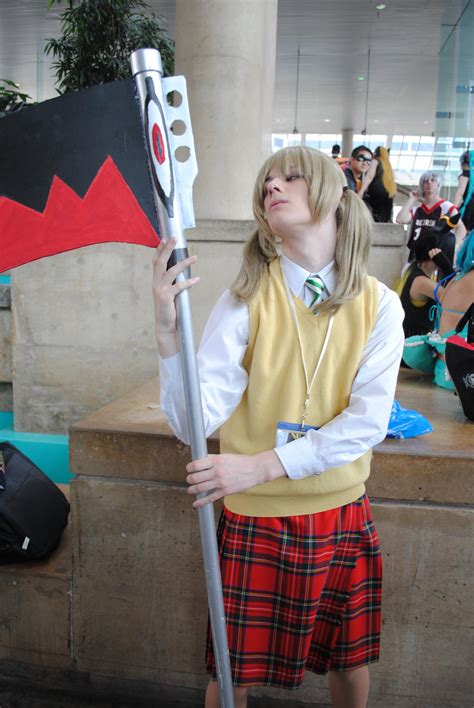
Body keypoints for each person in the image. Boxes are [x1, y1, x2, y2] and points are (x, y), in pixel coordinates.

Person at [153, 146, 404, 708]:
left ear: (334, 193)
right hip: (258, 519)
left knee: (349, 660)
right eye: (266, 180)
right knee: (231, 669)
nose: (273, 185)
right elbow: (194, 423)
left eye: (290, 176)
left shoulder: (380, 306)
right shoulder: (245, 299)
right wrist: (167, 334)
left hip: (341, 510)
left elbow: (367, 423)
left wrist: (261, 465)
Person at [403, 229, 474, 389]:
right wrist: (447, 266)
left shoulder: (456, 278)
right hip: (461, 378)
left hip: (443, 370)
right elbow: (445, 297)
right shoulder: (421, 280)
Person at [396, 171, 461, 268]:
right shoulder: (417, 210)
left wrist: (454, 247)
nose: (429, 183)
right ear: (422, 186)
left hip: (435, 258)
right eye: (426, 181)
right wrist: (411, 199)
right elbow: (400, 219)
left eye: (433, 180)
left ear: (438, 184)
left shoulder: (447, 207)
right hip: (415, 257)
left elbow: (461, 228)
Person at [399, 236, 453, 338]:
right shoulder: (421, 281)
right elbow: (454, 299)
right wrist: (447, 268)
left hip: (413, 338)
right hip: (414, 343)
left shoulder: (415, 270)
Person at [363, 146, 396, 222]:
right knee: (382, 218)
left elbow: (370, 176)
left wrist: (361, 191)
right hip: (388, 194)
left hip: (376, 193)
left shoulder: (375, 161)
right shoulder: (387, 165)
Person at [452, 150, 474, 231]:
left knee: (464, 233)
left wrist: (453, 208)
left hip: (470, 208)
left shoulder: (466, 175)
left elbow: (459, 193)